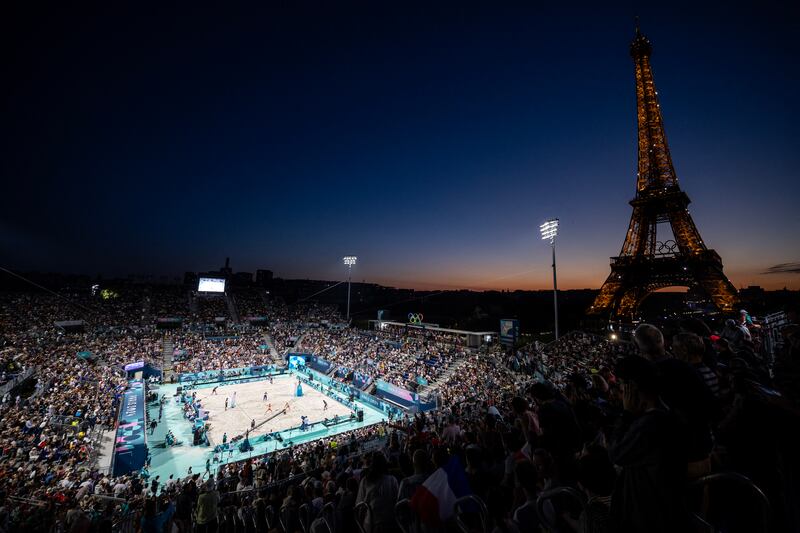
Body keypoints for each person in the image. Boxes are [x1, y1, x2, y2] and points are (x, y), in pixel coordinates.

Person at [608, 356, 690, 533]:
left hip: (651, 514)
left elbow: (616, 453)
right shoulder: (666, 412)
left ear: (632, 386)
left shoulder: (650, 424)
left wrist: (627, 415)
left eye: (622, 384)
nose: (620, 389)